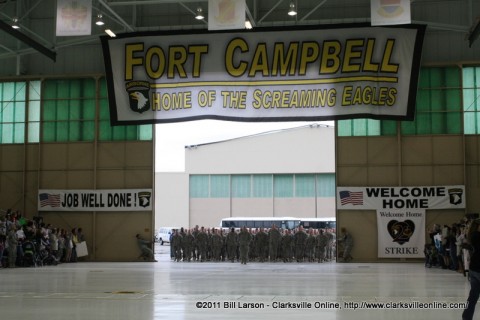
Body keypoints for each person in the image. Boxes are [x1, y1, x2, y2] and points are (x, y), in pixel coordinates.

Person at [463, 219, 480, 320]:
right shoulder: (477, 236)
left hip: (474, 269)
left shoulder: (472, 235)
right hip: (478, 268)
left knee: (473, 296)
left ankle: (466, 316)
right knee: (473, 296)